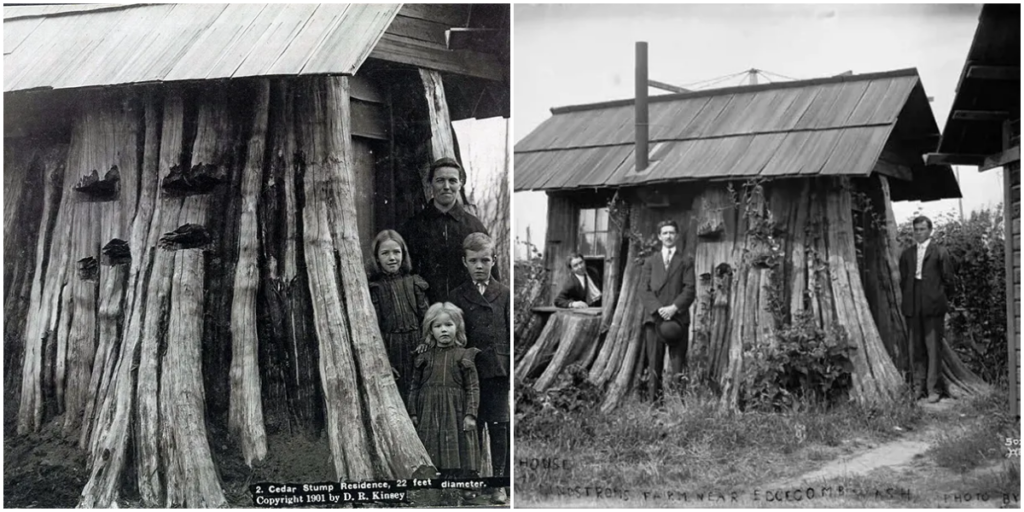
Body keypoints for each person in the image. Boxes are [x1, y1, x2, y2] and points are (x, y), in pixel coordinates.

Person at [448, 233, 510, 505]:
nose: (480, 266)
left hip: (497, 371)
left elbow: (510, 332)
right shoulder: (457, 295)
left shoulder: (504, 293)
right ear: (464, 262)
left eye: (485, 260)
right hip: (469, 374)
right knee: (470, 427)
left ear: (494, 260)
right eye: (473, 260)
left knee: (498, 427)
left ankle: (498, 484)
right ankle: (470, 480)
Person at [401, 157, 492, 304]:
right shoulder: (413, 227)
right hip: (426, 311)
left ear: (460, 184)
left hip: (467, 312)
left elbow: (491, 277)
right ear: (430, 183)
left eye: (452, 181)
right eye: (440, 180)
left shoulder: (474, 227)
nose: (446, 186)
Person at [408, 302, 480, 481]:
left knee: (456, 450)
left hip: (455, 412)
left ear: (458, 327)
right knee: (431, 449)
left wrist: (471, 414)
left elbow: (472, 387)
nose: (444, 330)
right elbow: (414, 386)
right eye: (438, 326)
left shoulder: (464, 355)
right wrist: (413, 412)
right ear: (430, 330)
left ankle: (458, 485)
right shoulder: (423, 356)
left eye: (449, 325)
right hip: (428, 413)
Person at [368, 230, 429, 405]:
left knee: (420, 397)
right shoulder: (375, 288)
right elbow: (375, 328)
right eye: (385, 253)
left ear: (403, 254)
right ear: (377, 258)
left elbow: (427, 319)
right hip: (392, 349)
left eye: (396, 252)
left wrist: (426, 348)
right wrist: (385, 362)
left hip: (417, 346)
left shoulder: (414, 282)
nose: (392, 257)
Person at [899, 215, 955, 403]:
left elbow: (948, 280)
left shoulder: (940, 252)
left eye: (922, 229)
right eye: (916, 229)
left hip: (933, 305)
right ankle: (918, 387)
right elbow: (904, 280)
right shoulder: (907, 254)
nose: (918, 233)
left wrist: (942, 301)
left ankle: (934, 389)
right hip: (913, 306)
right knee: (916, 349)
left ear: (930, 230)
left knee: (933, 349)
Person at [639, 220, 696, 403]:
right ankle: (655, 404)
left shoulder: (685, 261)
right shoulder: (650, 261)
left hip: (677, 318)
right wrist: (658, 309)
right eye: (665, 233)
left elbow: (690, 289)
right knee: (654, 362)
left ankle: (680, 404)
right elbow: (643, 289)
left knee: (678, 363)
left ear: (677, 236)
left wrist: (673, 308)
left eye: (672, 233)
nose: (668, 236)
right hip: (654, 318)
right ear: (659, 236)